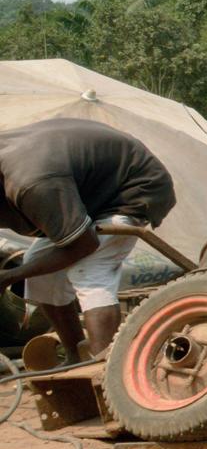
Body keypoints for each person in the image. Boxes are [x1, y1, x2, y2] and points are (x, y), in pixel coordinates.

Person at [0, 119, 176, 358]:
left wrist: (10, 276)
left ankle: (105, 368)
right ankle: (75, 356)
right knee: (38, 268)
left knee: (89, 272)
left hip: (132, 188)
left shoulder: (32, 183)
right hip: (87, 194)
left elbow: (84, 244)